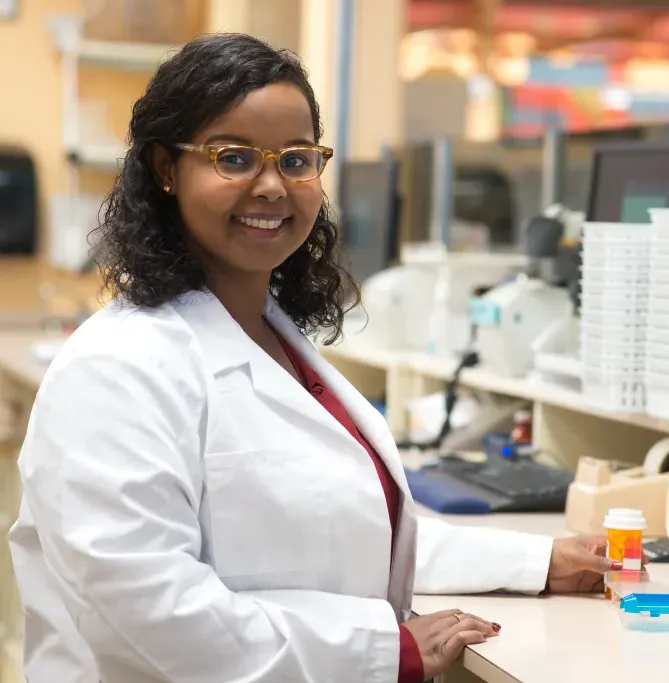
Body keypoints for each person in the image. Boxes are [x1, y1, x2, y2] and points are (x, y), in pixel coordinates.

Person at [9, 34, 626, 683]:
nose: (272, 185)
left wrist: (538, 561)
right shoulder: (117, 368)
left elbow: (346, 533)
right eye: (234, 156)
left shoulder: (273, 339)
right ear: (167, 168)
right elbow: (149, 614)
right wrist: (388, 650)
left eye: (297, 160)